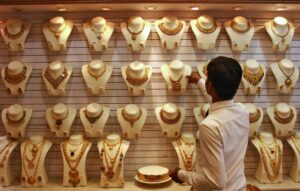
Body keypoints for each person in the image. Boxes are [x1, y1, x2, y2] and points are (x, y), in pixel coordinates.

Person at [170, 56, 249, 191]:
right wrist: (200, 82)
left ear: (210, 85)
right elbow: (219, 103)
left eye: (207, 79)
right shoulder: (243, 111)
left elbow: (215, 182)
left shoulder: (210, 126)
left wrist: (181, 174)